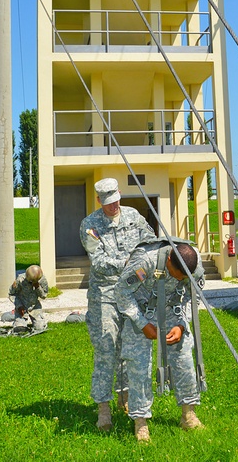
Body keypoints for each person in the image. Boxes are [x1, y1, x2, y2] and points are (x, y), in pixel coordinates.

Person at [80, 177, 158, 431]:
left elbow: (150, 243)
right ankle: (103, 408)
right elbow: (99, 262)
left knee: (130, 347)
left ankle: (125, 398)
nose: (113, 207)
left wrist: (145, 262)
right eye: (107, 203)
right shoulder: (90, 225)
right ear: (99, 201)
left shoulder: (134, 216)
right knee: (106, 345)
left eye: (115, 201)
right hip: (105, 293)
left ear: (120, 195)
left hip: (133, 292)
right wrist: (129, 262)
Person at [115, 240, 204, 442]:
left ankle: (188, 414)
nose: (179, 278)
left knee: (184, 359)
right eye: (176, 273)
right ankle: (140, 422)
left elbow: (194, 296)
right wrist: (142, 324)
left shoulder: (195, 265)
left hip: (173, 311)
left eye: (183, 277)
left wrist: (182, 324)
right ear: (169, 258)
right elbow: (121, 292)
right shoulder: (146, 261)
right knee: (139, 365)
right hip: (140, 311)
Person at [7, 264, 49, 332]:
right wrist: (19, 306)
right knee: (19, 329)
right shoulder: (20, 279)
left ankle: (39, 322)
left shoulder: (42, 280)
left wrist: (38, 287)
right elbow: (12, 293)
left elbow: (43, 296)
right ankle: (17, 320)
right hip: (22, 307)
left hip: (35, 307)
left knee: (40, 328)